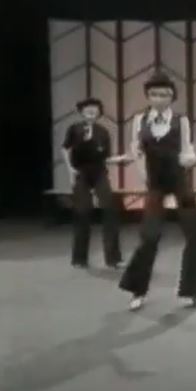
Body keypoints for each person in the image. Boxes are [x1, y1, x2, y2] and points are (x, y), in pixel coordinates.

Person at [119, 72, 196, 311]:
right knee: (149, 237)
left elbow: (185, 157)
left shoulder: (181, 121)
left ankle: (195, 292)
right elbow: (137, 152)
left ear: (172, 97)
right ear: (148, 96)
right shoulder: (139, 120)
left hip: (178, 182)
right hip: (155, 185)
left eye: (164, 94)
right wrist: (144, 177)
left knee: (193, 235)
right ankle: (138, 290)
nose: (159, 99)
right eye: (154, 94)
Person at [62, 98, 129, 270]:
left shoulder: (103, 132)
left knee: (110, 209)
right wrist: (70, 170)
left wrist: (121, 159)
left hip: (99, 172)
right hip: (80, 172)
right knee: (82, 212)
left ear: (99, 113)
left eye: (95, 110)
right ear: (81, 112)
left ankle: (113, 259)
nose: (91, 113)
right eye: (88, 110)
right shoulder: (74, 129)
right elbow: (65, 148)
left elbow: (106, 158)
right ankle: (79, 259)